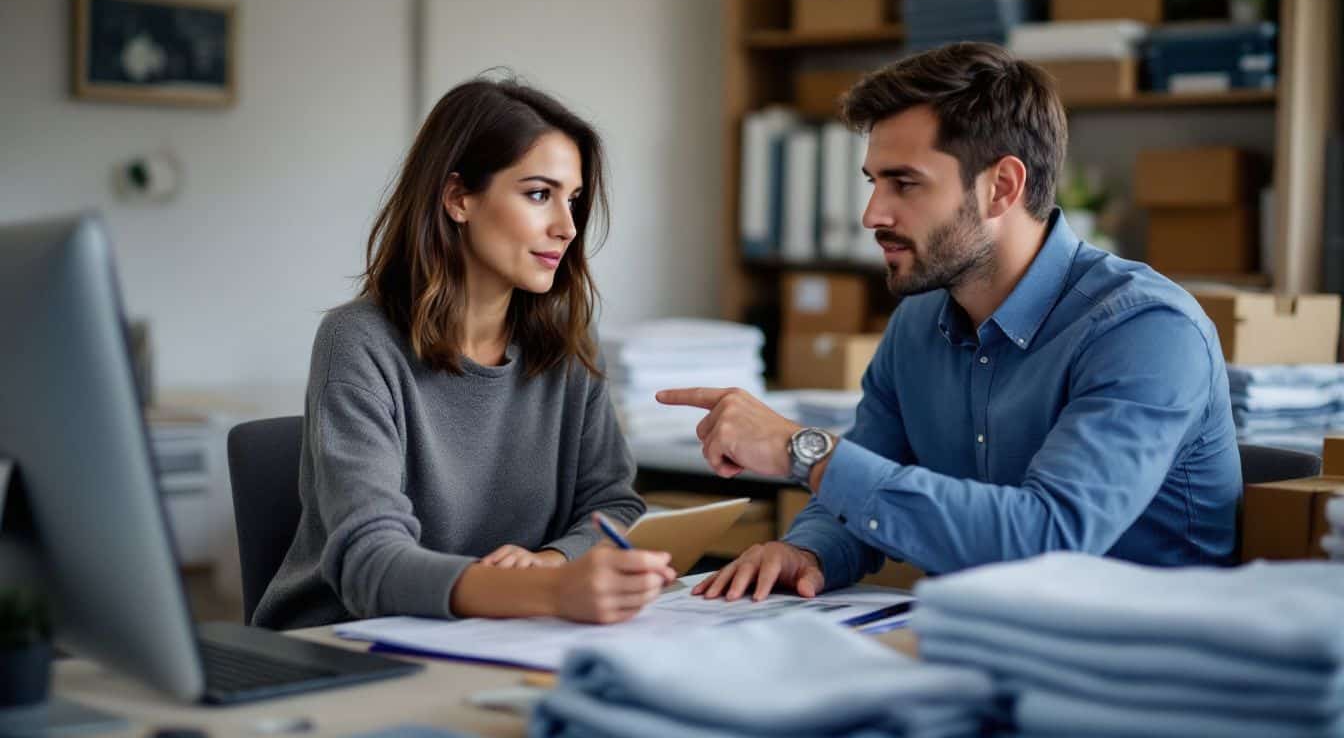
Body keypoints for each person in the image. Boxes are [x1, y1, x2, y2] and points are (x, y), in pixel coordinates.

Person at [658, 43, 1240, 603]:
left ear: (1001, 188)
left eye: (904, 183)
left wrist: (803, 450)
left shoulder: (1145, 331)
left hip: (1146, 673)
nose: (872, 214)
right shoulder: (917, 323)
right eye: (873, 182)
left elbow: (1049, 538)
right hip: (979, 648)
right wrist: (809, 552)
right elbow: (864, 491)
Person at [254, 78, 674, 630]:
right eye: (538, 194)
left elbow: (612, 506)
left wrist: (551, 563)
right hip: (341, 646)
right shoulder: (358, 342)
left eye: (571, 199)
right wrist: (543, 588)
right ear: (458, 199)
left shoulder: (567, 343)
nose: (567, 227)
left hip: (497, 637)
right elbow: (371, 563)